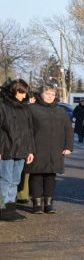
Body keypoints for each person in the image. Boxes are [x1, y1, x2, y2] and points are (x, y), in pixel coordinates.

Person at [26, 84, 72, 214]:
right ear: (41, 94)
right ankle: (37, 204)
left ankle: (49, 204)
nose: (50, 96)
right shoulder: (31, 109)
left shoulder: (61, 111)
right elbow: (27, 130)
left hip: (55, 149)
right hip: (37, 148)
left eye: (52, 94)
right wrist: (29, 149)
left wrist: (68, 146)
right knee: (36, 176)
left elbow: (68, 129)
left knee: (51, 176)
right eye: (47, 93)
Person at [0, 80, 36, 221]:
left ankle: (10, 208)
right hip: (6, 149)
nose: (23, 95)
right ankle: (2, 209)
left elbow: (29, 131)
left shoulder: (24, 108)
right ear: (13, 90)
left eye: (25, 92)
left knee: (15, 180)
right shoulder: (3, 106)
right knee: (5, 179)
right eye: (21, 92)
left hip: (22, 150)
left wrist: (30, 151)